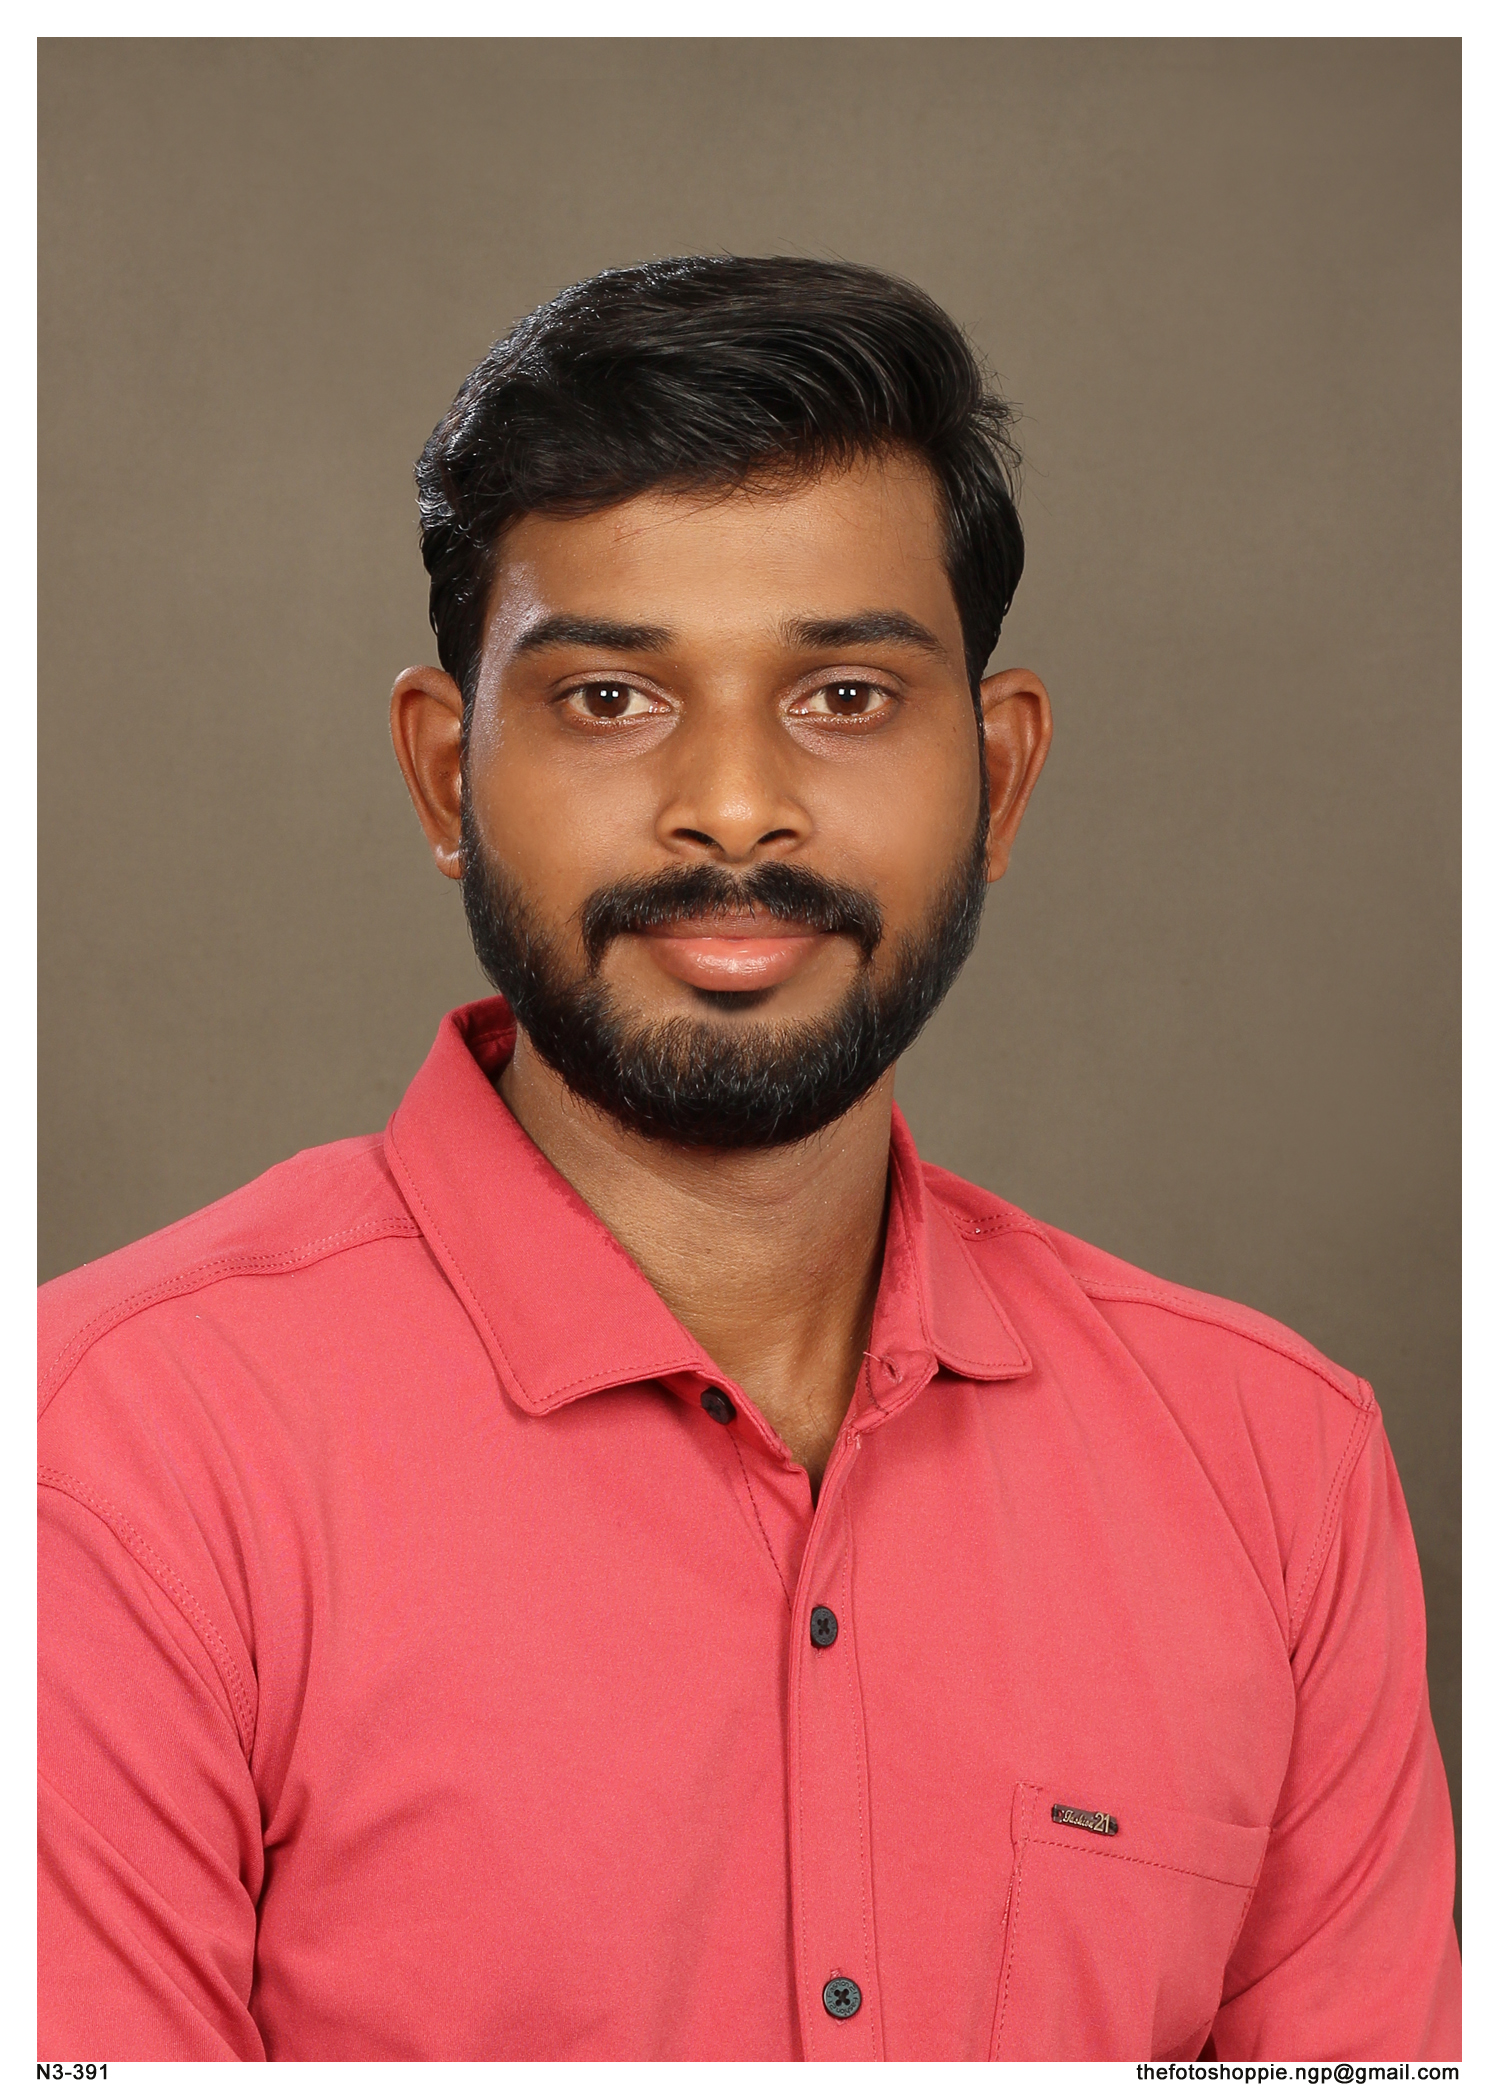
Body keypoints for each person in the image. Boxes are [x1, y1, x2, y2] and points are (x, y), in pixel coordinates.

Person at [38, 256, 1459, 2064]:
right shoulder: (106, 1467)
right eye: (610, 699)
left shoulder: (1276, 1471)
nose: (731, 807)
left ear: (1003, 774)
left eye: (845, 695)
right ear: (444, 774)